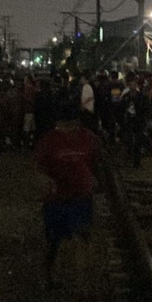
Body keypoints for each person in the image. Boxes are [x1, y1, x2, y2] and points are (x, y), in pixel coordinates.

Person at [35, 97, 101, 289]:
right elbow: (95, 164)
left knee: (58, 241)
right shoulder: (89, 138)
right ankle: (81, 286)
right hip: (72, 196)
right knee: (72, 240)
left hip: (62, 198)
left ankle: (61, 281)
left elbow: (39, 169)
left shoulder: (48, 140)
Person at [120, 73, 152, 168]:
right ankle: (130, 158)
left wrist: (146, 119)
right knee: (129, 141)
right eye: (131, 85)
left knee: (138, 141)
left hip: (139, 121)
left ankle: (136, 162)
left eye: (134, 85)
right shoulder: (126, 97)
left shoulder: (141, 97)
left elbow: (147, 108)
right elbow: (120, 109)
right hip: (129, 121)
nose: (132, 87)